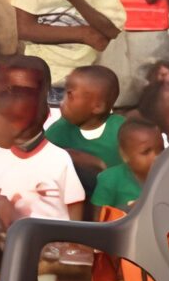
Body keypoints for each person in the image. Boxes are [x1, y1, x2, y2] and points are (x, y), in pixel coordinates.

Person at [0, 72, 85, 281]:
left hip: (48, 246)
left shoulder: (58, 157)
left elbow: (75, 203)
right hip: (8, 240)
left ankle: (31, 279)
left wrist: (72, 245)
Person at [88, 118, 167, 281]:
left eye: (161, 150)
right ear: (125, 156)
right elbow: (99, 220)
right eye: (146, 152)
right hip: (123, 243)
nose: (156, 157)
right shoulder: (110, 179)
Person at [41, 63, 126, 194]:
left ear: (97, 106)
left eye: (70, 95)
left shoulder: (122, 130)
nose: (62, 101)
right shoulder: (59, 131)